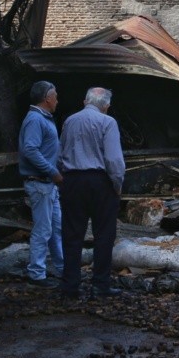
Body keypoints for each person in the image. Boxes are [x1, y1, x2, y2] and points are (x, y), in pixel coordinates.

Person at [59, 87, 125, 299]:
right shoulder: (108, 122)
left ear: (84, 101)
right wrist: (117, 184)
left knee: (72, 235)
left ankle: (70, 287)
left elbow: (60, 155)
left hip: (72, 180)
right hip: (100, 182)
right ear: (106, 106)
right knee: (104, 235)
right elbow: (113, 160)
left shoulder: (70, 121)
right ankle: (100, 286)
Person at [18, 81, 63, 289]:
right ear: (47, 98)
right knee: (43, 230)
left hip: (47, 185)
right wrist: (52, 171)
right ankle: (36, 274)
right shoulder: (36, 119)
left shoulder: (42, 118)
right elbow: (30, 149)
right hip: (40, 183)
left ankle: (62, 268)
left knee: (55, 228)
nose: (57, 100)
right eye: (55, 96)